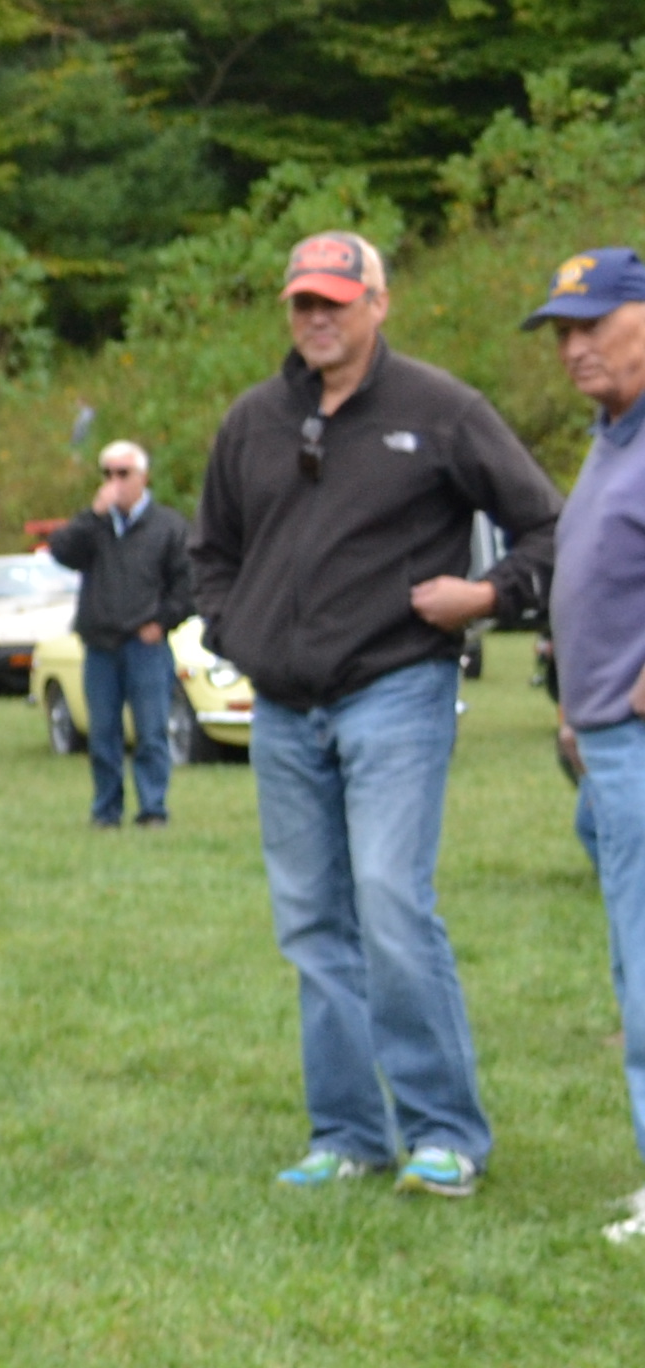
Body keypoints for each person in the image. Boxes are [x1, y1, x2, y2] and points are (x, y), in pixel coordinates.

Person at [192, 230, 562, 1196]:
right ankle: (349, 1137)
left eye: (335, 300)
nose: (318, 317)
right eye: (303, 303)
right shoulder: (252, 421)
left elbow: (548, 524)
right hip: (283, 709)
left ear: (379, 305)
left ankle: (444, 1136)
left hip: (397, 689)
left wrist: (487, 596)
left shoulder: (442, 410)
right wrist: (236, 629)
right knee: (314, 922)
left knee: (392, 901)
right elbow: (211, 551)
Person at [528, 247, 645, 1248]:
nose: (574, 348)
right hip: (605, 740)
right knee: (629, 959)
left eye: (594, 324)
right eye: (563, 331)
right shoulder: (614, 435)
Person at [47, 440, 194, 826]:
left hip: (145, 647)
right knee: (102, 735)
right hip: (100, 646)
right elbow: (60, 551)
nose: (115, 482)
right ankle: (106, 811)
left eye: (123, 474)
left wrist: (162, 622)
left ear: (143, 477)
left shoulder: (167, 526)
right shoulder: (95, 527)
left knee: (151, 732)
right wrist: (93, 515)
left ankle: (152, 810)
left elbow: (188, 584)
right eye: (108, 474)